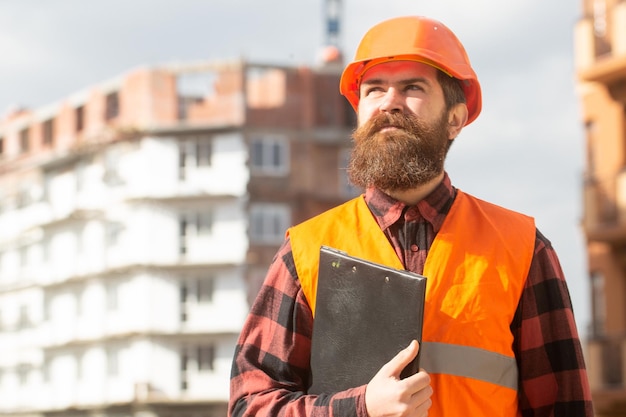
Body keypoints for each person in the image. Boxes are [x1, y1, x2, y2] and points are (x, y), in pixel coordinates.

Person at [229, 15, 594, 417]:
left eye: (412, 88)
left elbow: (565, 406)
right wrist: (360, 408)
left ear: (454, 119)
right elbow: (251, 405)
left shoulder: (523, 249)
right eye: (374, 90)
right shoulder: (305, 251)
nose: (389, 102)